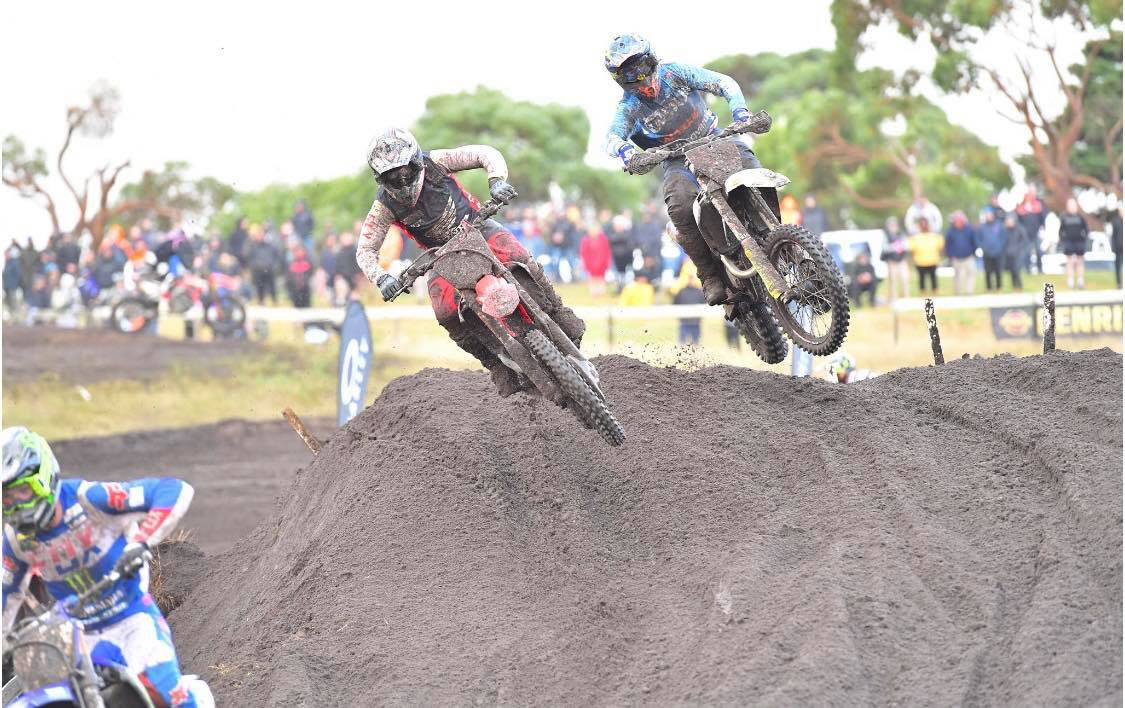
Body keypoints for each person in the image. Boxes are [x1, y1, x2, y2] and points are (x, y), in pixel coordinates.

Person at [356, 128, 584, 396]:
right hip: (440, 255)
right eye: (393, 178)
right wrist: (381, 278)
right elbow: (365, 250)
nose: (402, 182)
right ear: (380, 178)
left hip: (478, 227)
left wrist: (496, 181)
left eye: (406, 173)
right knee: (445, 313)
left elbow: (484, 153)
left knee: (522, 257)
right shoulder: (383, 207)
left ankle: (558, 312)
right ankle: (495, 364)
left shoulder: (437, 162)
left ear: (416, 161)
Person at [1, 427, 214, 707]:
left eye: (23, 490)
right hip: (70, 631)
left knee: (166, 695)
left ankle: (194, 696)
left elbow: (173, 490)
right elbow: (7, 595)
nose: (17, 504)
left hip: (130, 617)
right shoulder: (15, 540)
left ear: (44, 477)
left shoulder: (88, 498)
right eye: (7, 497)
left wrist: (141, 542)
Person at [604, 33, 759, 306]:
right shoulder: (629, 107)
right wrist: (627, 153)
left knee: (751, 169)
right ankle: (709, 274)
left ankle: (778, 237)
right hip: (677, 159)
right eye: (630, 74)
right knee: (679, 205)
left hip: (714, 139)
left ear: (652, 59)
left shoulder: (675, 73)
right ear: (620, 80)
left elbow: (724, 82)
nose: (640, 78)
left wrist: (740, 112)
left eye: (642, 66)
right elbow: (612, 138)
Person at [944, 211, 978, 295]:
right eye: (956, 220)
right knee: (958, 276)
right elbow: (947, 245)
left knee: (971, 274)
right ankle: (958, 292)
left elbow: (974, 242)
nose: (958, 222)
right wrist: (950, 255)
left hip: (969, 256)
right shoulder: (950, 231)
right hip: (956, 257)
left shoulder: (969, 229)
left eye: (959, 220)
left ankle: (969, 292)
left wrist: (974, 252)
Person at [1058, 198, 1089, 289]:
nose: (1072, 207)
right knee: (1070, 262)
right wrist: (1063, 240)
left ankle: (1080, 281)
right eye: (1070, 205)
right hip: (1069, 242)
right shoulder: (1064, 218)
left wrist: (1084, 239)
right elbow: (1061, 231)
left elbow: (1086, 230)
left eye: (1073, 205)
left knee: (1080, 261)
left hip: (1079, 242)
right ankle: (1070, 281)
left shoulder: (1080, 217)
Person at [246, 224, 280, 304]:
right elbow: (248, 256)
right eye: (258, 235)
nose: (260, 236)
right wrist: (254, 266)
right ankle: (261, 301)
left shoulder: (270, 245)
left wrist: (274, 265)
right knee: (260, 287)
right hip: (258, 270)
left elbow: (276, 254)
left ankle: (274, 300)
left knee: (272, 286)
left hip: (269, 268)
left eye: (261, 234)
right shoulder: (252, 245)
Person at [909, 217, 944, 294]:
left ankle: (935, 291)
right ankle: (923, 292)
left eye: (925, 224)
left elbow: (941, 246)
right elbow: (912, 248)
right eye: (922, 224)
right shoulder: (916, 237)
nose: (924, 226)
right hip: (920, 261)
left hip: (933, 260)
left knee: (933, 277)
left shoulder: (934, 236)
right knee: (921, 278)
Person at [1016, 186, 1046, 273]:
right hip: (1026, 233)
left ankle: (1040, 269)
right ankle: (1028, 269)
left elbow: (1042, 217)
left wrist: (1043, 227)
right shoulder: (1022, 205)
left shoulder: (1038, 204)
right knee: (1027, 252)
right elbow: (1019, 219)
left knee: (1039, 251)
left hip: (1036, 232)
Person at [977, 208, 1007, 291]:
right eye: (987, 216)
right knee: (988, 271)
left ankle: (999, 287)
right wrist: (983, 247)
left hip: (998, 253)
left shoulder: (999, 225)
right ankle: (988, 288)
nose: (988, 217)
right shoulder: (982, 227)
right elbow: (978, 238)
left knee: (998, 271)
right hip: (987, 253)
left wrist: (999, 247)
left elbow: (1003, 238)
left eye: (990, 216)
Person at [579, 222, 612, 297]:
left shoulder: (603, 239)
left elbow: (607, 251)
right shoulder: (585, 240)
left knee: (601, 278)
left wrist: (607, 262)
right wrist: (584, 263)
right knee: (592, 278)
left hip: (602, 263)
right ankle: (594, 293)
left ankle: (601, 292)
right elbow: (583, 252)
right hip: (590, 263)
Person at [606, 214, 636, 290]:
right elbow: (610, 241)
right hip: (616, 259)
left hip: (627, 259)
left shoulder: (628, 234)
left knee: (628, 276)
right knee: (618, 276)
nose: (617, 227)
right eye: (616, 226)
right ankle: (619, 287)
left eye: (619, 225)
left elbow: (630, 245)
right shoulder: (611, 234)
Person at [1001, 213, 1028, 290]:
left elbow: (1024, 240)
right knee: (1012, 271)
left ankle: (1019, 286)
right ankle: (1014, 286)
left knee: (1016, 270)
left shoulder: (1020, 229)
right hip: (1008, 253)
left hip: (1018, 253)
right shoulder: (1004, 230)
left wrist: (1018, 249)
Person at [1109, 204, 1123, 288]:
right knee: (1118, 266)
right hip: (1118, 248)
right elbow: (1113, 236)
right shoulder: (1115, 221)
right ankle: (1119, 283)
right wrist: (1113, 247)